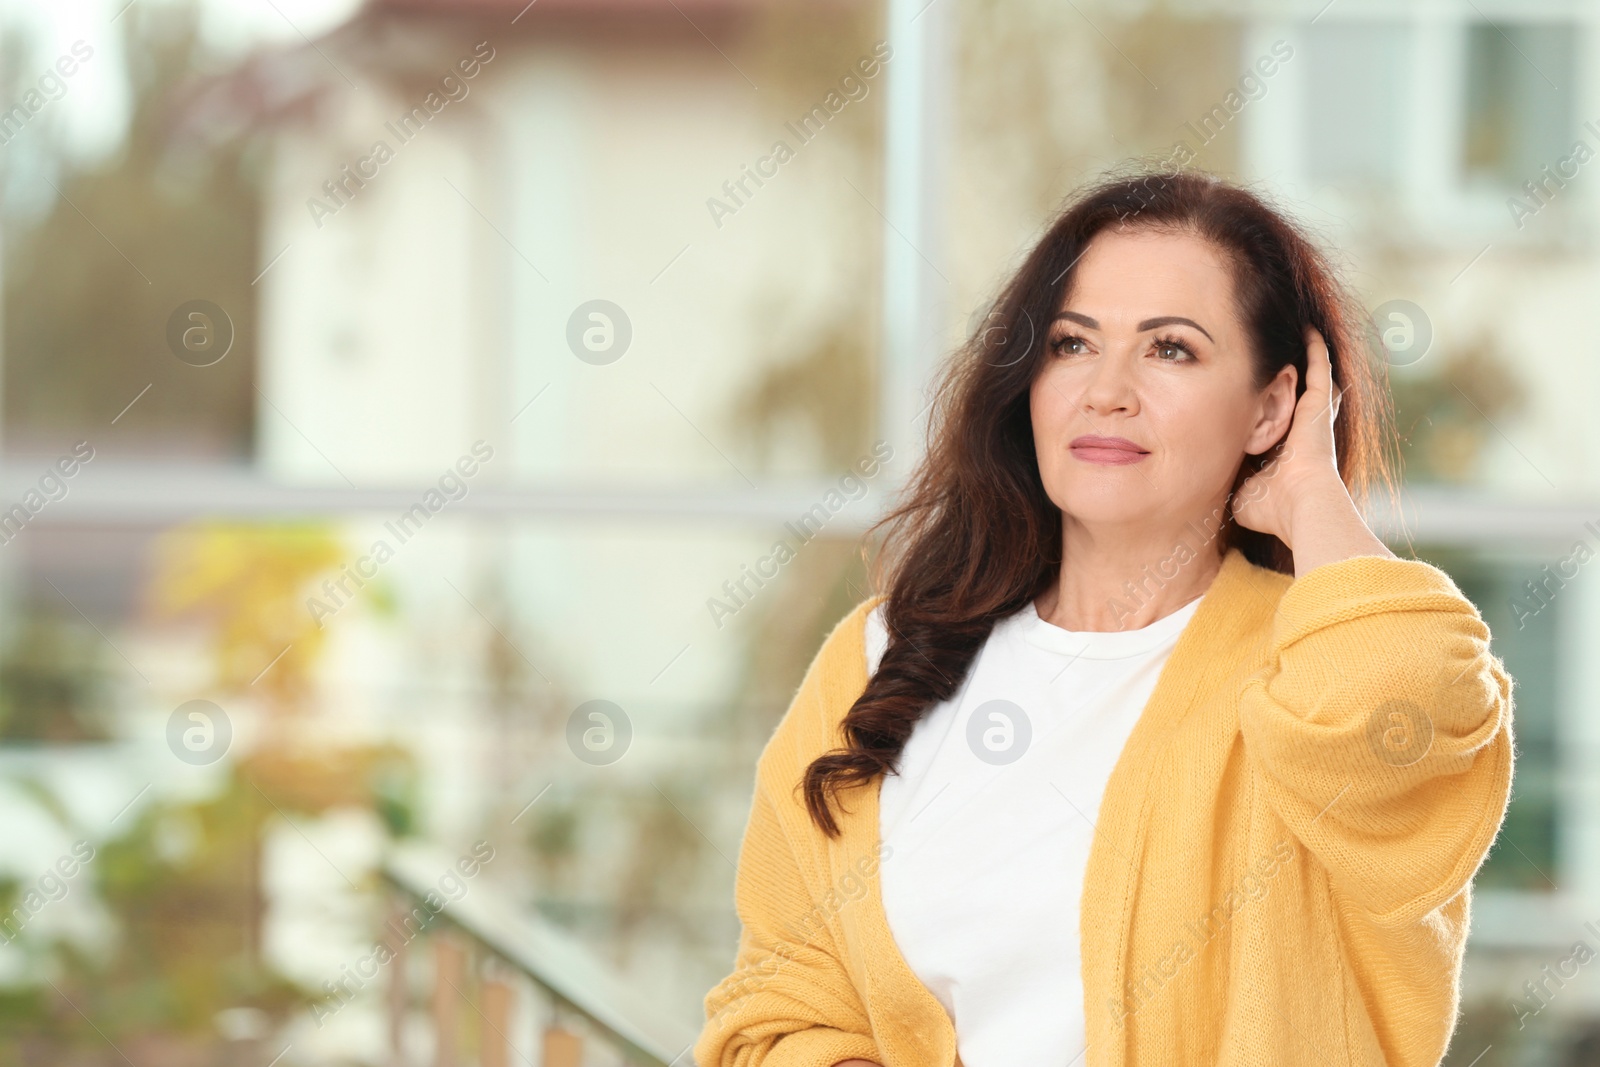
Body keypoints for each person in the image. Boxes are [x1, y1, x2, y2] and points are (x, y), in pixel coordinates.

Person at [694, 169, 1515, 1067]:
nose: (1107, 390)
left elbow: (1407, 715)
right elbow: (776, 1004)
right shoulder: (882, 655)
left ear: (1272, 405)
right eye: (1072, 344)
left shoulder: (1319, 662)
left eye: (1171, 350)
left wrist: (1312, 493)